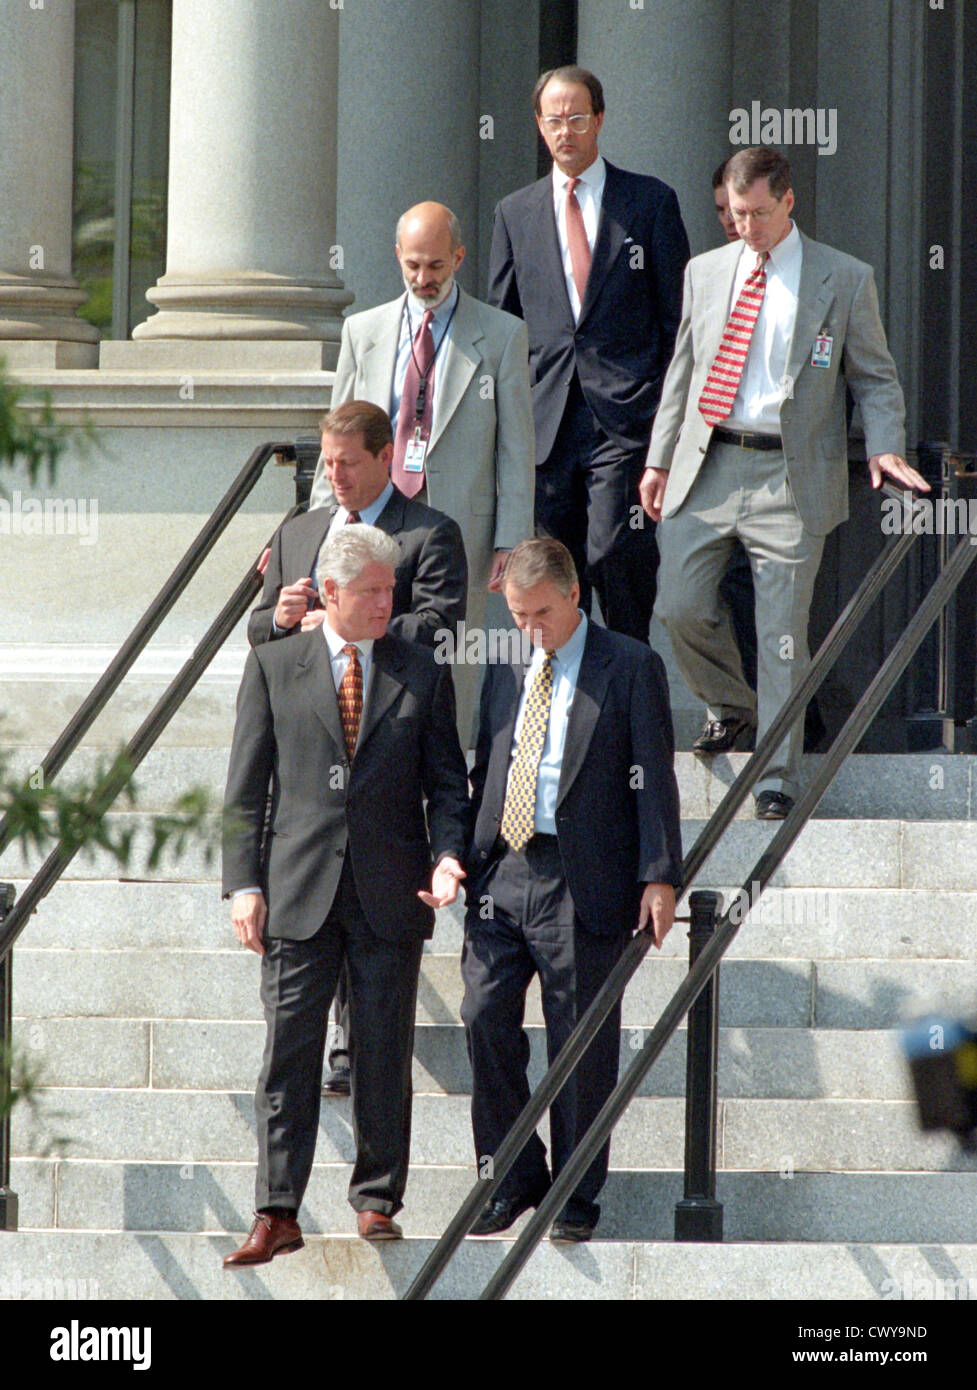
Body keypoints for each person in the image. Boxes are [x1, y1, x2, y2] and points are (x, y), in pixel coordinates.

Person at [641, 146, 929, 819]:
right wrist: (657, 460)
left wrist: (883, 447)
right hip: (707, 462)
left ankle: (775, 779)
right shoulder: (704, 273)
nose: (747, 227)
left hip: (787, 474)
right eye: (737, 214)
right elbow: (680, 373)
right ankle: (733, 706)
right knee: (677, 608)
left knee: (779, 634)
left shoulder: (843, 278)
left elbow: (873, 378)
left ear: (788, 202)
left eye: (759, 213)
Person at [221, 525, 470, 1262]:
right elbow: (244, 794)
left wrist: (449, 856)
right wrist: (243, 885)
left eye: (390, 590)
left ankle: (376, 1199)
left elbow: (447, 785)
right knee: (288, 1054)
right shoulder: (273, 666)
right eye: (370, 592)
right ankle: (276, 1210)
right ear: (328, 593)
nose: (385, 604)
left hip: (390, 892)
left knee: (383, 1051)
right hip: (298, 891)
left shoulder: (419, 671)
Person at [460, 538, 682, 1243]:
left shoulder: (630, 666)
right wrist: (464, 854)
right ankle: (510, 1175)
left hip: (584, 875)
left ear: (573, 595)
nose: (531, 630)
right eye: (519, 616)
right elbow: (490, 761)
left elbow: (654, 775)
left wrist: (659, 874)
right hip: (504, 868)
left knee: (579, 1041)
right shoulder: (505, 665)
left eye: (542, 614)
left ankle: (575, 1192)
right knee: (482, 1013)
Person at [249, 398, 468, 1097]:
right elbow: (261, 636)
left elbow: (437, 627)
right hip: (313, 741)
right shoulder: (301, 531)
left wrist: (348, 622)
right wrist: (284, 619)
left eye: (348, 463)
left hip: (388, 735)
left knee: (370, 896)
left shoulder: (429, 532)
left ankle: (354, 1055)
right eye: (327, 462)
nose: (334, 475)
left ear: (384, 458)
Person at [308, 201, 535, 740]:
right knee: (363, 641)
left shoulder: (501, 335)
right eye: (412, 265)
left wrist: (511, 540)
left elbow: (516, 448)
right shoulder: (362, 332)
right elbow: (335, 441)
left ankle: (448, 792)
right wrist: (316, 527)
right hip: (372, 515)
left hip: (459, 527)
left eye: (435, 265)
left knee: (451, 660)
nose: (423, 278)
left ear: (458, 257)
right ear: (397, 257)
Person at [487, 66, 689, 642]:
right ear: (539, 126)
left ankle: (629, 690)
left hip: (623, 421)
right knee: (551, 569)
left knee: (615, 557)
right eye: (554, 120)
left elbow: (679, 323)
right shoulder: (515, 213)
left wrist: (665, 426)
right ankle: (561, 705)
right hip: (545, 422)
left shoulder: (648, 202)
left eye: (577, 118)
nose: (566, 131)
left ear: (599, 119)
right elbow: (505, 328)